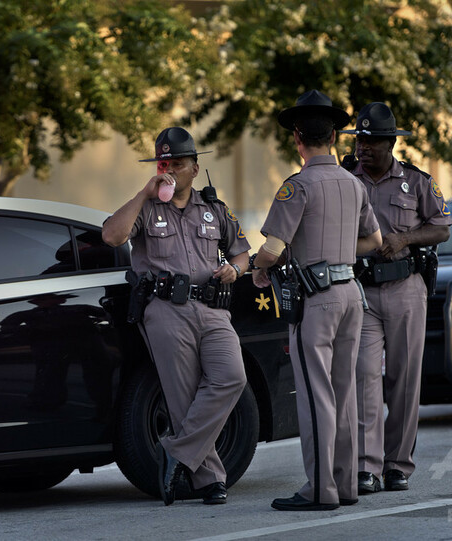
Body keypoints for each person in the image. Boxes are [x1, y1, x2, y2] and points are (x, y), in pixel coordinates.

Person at [102, 127, 250, 506]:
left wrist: (234, 269)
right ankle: (212, 481)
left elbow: (242, 253)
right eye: (164, 163)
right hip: (166, 310)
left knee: (232, 377)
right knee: (182, 398)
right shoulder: (146, 208)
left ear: (195, 169)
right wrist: (145, 192)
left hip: (213, 308)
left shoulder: (215, 208)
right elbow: (112, 236)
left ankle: (177, 450)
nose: (170, 170)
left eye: (178, 164)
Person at [251, 90, 382, 511]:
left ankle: (321, 489)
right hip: (350, 295)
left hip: (317, 299)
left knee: (315, 395)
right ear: (335, 137)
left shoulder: (298, 186)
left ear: (297, 137)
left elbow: (272, 248)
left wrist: (258, 267)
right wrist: (338, 253)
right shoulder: (353, 183)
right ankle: (346, 486)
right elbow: (375, 241)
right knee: (345, 393)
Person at [340, 102, 452, 493]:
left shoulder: (417, 182)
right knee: (364, 376)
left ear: (391, 144)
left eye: (371, 141)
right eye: (359, 140)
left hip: (406, 288)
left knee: (403, 378)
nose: (363, 147)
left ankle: (397, 465)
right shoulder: (344, 179)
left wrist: (404, 238)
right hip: (362, 291)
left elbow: (441, 228)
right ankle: (366, 467)